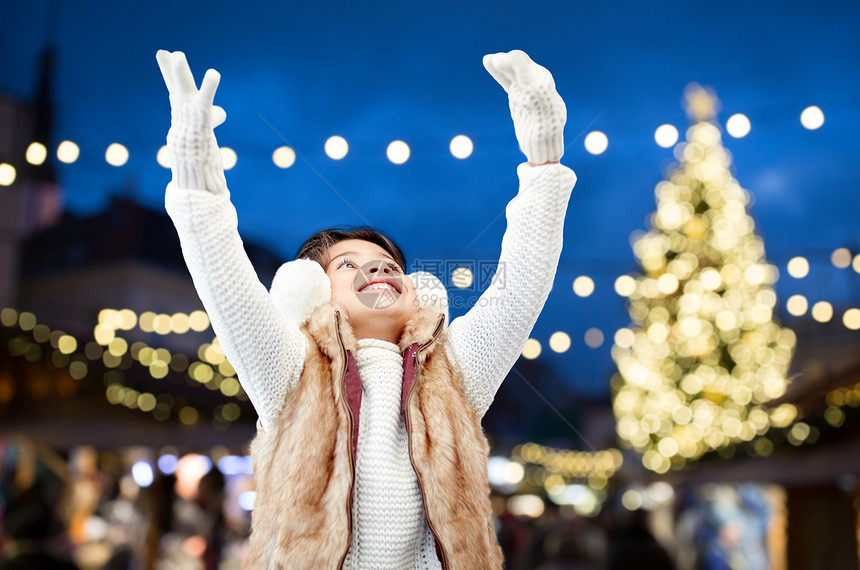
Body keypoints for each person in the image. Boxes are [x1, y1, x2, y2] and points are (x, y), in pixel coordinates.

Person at [156, 48, 576, 569]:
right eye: (348, 266)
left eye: (385, 263)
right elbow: (226, 281)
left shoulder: (452, 369)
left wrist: (545, 165)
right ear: (314, 292)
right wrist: (197, 180)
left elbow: (521, 288)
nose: (375, 270)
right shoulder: (293, 368)